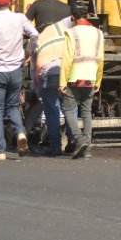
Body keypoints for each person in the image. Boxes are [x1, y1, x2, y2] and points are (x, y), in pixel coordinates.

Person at [0, 0, 38, 160]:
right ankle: (20, 133)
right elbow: (34, 35)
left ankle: (0, 151)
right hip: (16, 69)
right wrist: (28, 52)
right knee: (12, 106)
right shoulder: (19, 18)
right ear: (9, 4)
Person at [61, 0, 104, 159]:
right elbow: (101, 58)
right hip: (91, 76)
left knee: (68, 109)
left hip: (74, 76)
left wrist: (62, 82)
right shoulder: (98, 33)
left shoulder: (71, 33)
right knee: (86, 112)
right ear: (87, 15)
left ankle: (79, 140)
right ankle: (86, 146)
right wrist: (98, 80)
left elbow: (67, 58)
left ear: (72, 17)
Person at [32, 11, 77, 156]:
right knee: (70, 109)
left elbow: (35, 69)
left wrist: (36, 90)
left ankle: (55, 147)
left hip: (49, 75)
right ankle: (74, 141)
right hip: (67, 72)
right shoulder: (64, 30)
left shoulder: (39, 39)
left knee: (52, 111)